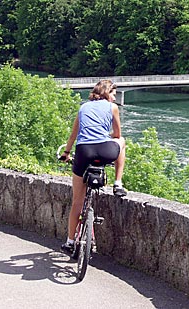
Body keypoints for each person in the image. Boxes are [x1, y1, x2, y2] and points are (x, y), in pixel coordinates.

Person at [61, 79, 127, 253]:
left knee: (77, 202)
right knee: (122, 141)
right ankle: (118, 183)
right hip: (105, 151)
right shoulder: (112, 108)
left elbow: (73, 135)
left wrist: (66, 153)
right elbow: (118, 134)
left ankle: (69, 241)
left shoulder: (83, 108)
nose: (114, 97)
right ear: (106, 92)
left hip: (84, 152)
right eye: (113, 93)